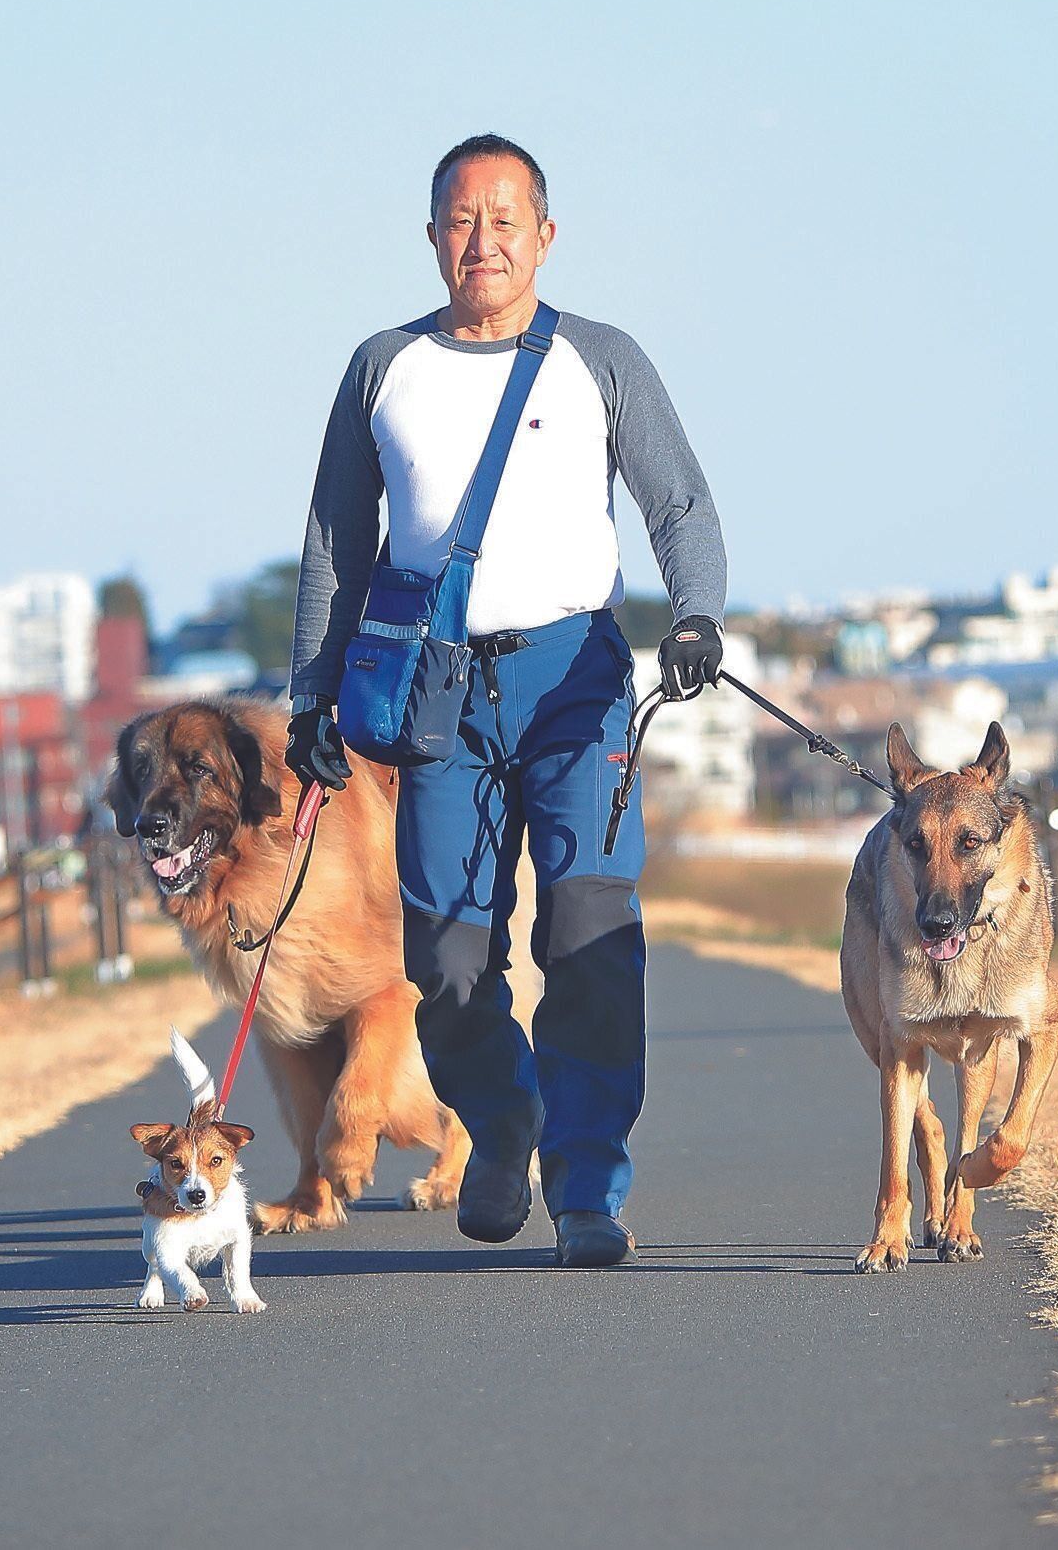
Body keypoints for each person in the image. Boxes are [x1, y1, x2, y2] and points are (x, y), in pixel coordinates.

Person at [286, 133, 727, 1268]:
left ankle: (587, 1184)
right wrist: (308, 695)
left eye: (502, 218)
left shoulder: (600, 357)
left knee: (586, 932)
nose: (480, 240)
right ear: (430, 235)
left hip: (575, 678)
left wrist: (695, 615)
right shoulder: (383, 366)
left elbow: (677, 504)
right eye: (457, 219)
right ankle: (505, 1120)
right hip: (437, 696)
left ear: (543, 233)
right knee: (443, 958)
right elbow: (338, 539)